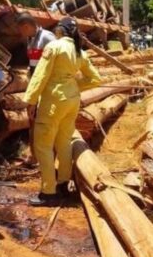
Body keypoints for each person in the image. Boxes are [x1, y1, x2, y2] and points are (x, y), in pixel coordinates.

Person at [22, 17, 102, 206]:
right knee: (64, 143)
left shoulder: (54, 47)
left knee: (43, 145)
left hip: (53, 102)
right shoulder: (80, 52)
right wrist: (72, 85)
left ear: (59, 30)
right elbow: (95, 79)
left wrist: (30, 101)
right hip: (72, 102)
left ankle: (48, 192)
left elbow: (40, 75)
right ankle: (63, 184)